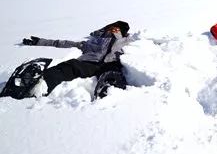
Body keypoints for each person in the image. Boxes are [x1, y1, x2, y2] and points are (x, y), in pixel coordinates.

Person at [2, 21, 130, 99]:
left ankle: (110, 94)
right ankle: (37, 86)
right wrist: (39, 41)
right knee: (68, 66)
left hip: (111, 65)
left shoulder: (124, 41)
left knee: (114, 70)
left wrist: (120, 35)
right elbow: (64, 43)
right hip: (89, 64)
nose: (114, 30)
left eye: (117, 29)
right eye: (113, 28)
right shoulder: (91, 42)